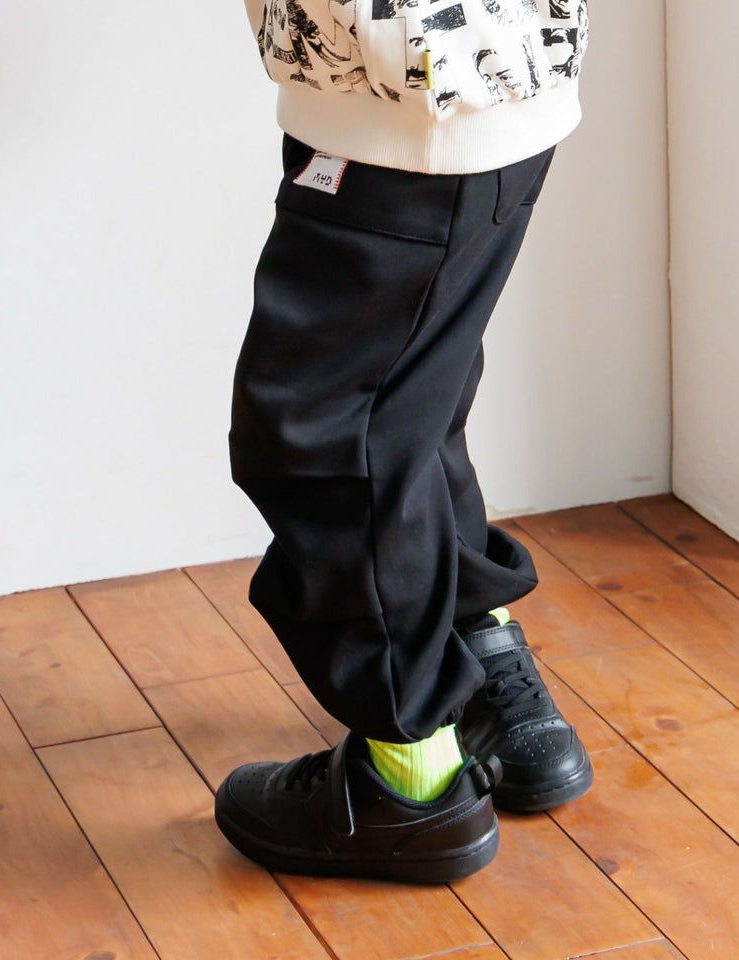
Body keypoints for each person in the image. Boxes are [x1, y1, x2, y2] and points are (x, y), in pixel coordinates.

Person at [215, 0, 592, 883]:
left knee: (324, 440)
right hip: (502, 77)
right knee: (411, 401)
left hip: (400, 98)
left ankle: (408, 781)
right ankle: (481, 663)